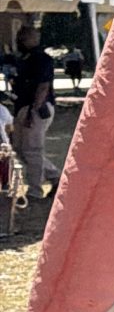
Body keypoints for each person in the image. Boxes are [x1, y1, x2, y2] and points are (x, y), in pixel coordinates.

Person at [11, 25, 56, 202]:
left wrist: (34, 110)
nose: (19, 42)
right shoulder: (25, 58)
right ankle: (54, 176)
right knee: (20, 149)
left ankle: (35, 190)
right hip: (24, 106)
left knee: (32, 150)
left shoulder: (41, 59)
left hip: (36, 107)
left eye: (23, 38)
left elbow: (43, 86)